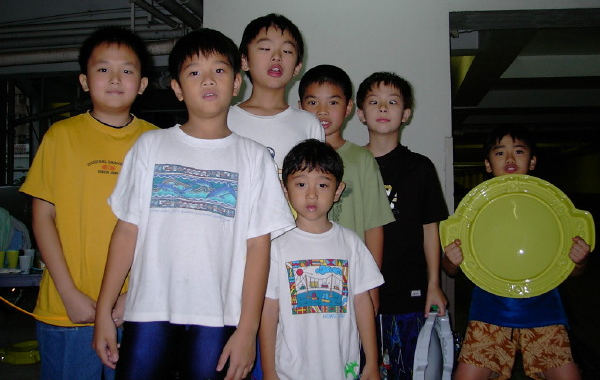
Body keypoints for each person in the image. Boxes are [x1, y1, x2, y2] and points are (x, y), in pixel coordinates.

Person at [92, 28, 295, 380]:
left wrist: (247, 330)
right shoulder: (150, 146)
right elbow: (126, 232)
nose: (208, 80)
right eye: (194, 72)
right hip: (149, 311)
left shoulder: (254, 158)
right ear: (177, 87)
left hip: (218, 317)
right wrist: (103, 312)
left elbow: (258, 248)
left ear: (236, 83)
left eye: (219, 70)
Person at [19, 26, 157, 379]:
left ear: (142, 84)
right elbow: (43, 217)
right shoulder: (60, 136)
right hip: (68, 309)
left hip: (136, 308)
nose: (115, 78)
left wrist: (134, 294)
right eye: (103, 69)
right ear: (84, 81)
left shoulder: (158, 141)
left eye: (127, 70)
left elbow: (165, 230)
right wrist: (69, 293)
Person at [443, 125, 591, 380]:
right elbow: (449, 270)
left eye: (519, 151)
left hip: (544, 310)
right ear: (488, 164)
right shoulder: (475, 213)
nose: (510, 159)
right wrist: (451, 261)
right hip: (489, 311)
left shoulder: (550, 209)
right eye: (500, 153)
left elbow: (574, 272)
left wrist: (579, 261)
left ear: (532, 161)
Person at [259, 139, 383, 380]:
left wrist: (372, 362)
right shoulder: (276, 248)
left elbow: (363, 303)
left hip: (343, 369)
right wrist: (269, 372)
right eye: (301, 184)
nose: (312, 194)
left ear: (338, 191)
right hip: (290, 372)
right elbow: (269, 312)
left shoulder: (350, 243)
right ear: (285, 189)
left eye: (323, 185)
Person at [356, 72, 449, 380]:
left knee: (409, 371)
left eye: (392, 102)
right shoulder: (349, 165)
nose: (383, 108)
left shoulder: (420, 168)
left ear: (406, 113)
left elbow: (430, 229)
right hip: (359, 292)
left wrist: (434, 284)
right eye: (374, 102)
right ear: (360, 113)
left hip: (409, 291)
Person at [298, 64, 394, 310]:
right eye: (312, 103)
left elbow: (374, 226)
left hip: (353, 279)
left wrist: (372, 285)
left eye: (332, 102)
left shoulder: (362, 160)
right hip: (301, 275)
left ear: (348, 107)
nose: (322, 111)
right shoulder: (294, 160)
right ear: (300, 107)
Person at [227, 13, 324, 169]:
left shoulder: (308, 124)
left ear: (297, 67)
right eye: (265, 48)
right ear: (244, 61)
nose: (277, 56)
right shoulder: (225, 119)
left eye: (287, 51)